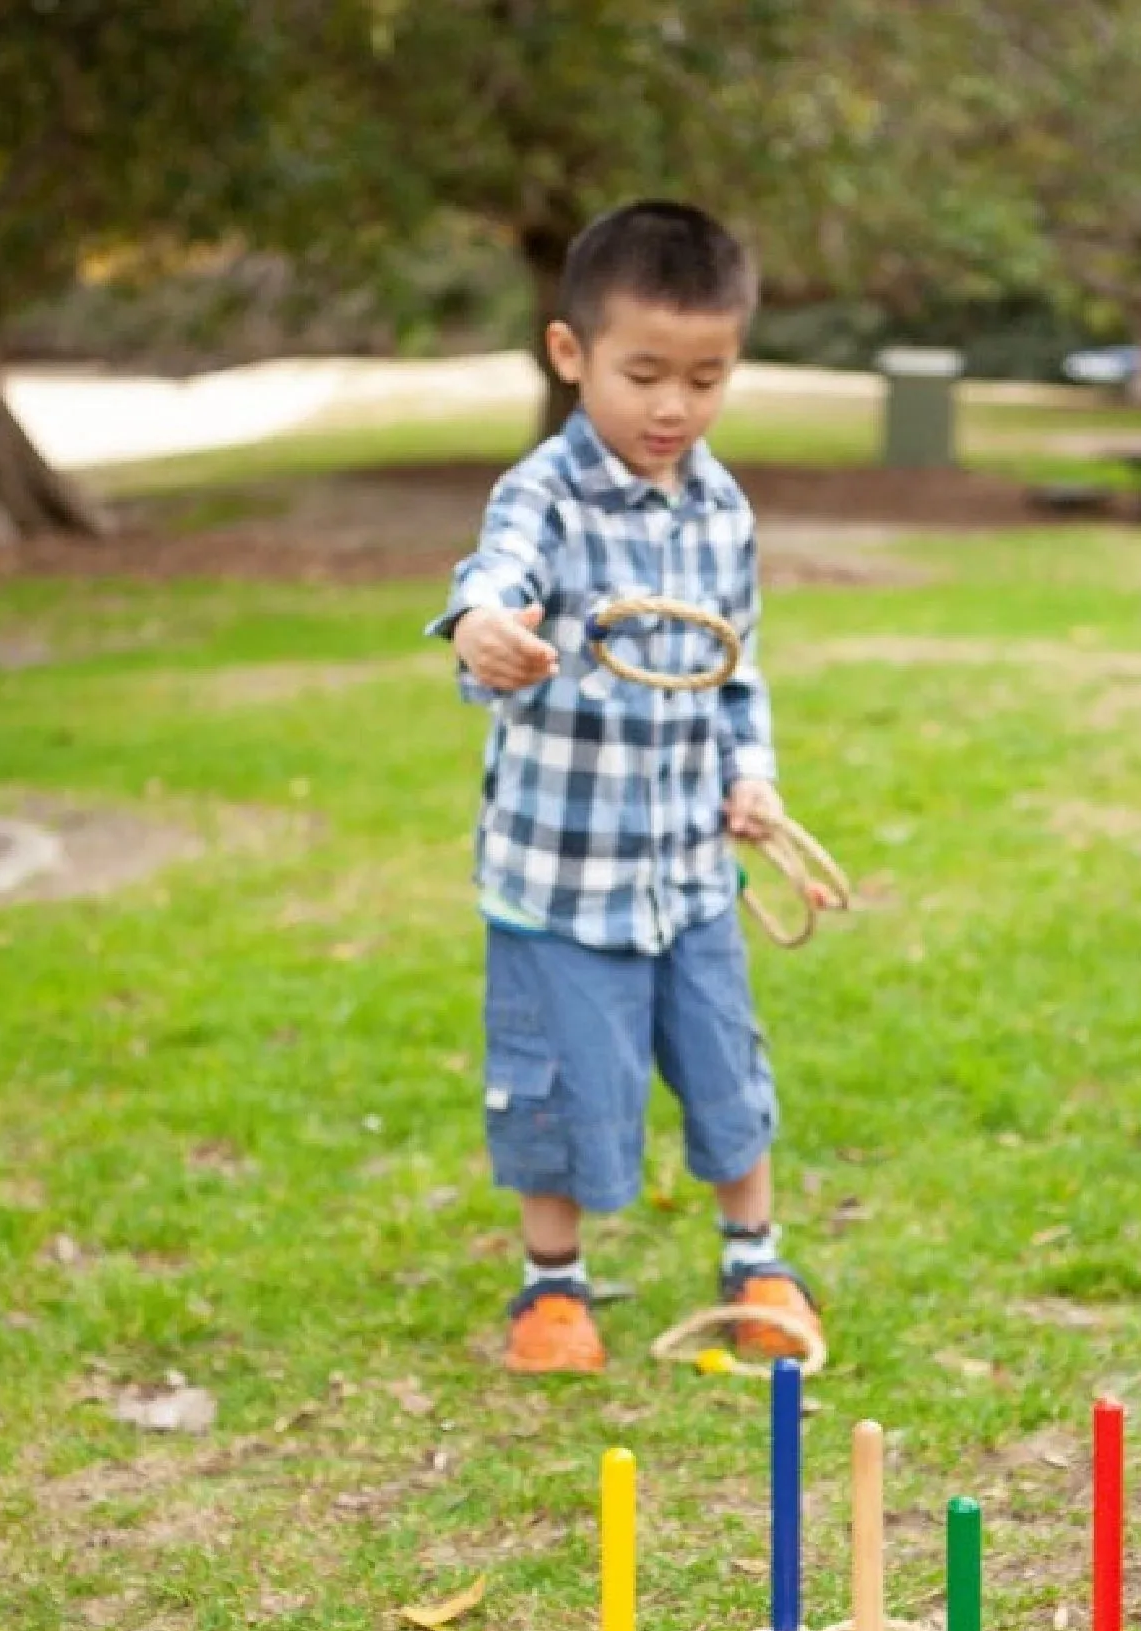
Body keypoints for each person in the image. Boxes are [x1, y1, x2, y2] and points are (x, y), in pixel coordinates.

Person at [429, 200, 821, 1377]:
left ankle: (754, 1258)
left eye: (706, 377)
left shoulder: (723, 509)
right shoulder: (542, 493)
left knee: (724, 1064)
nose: (673, 407)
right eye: (644, 372)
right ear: (570, 354)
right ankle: (552, 1289)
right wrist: (483, 630)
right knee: (557, 1080)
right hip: (560, 877)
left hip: (688, 877)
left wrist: (749, 779)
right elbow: (488, 576)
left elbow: (734, 671)